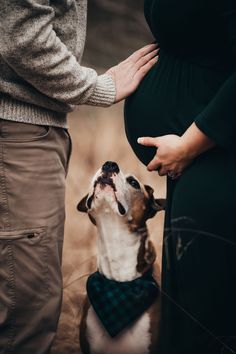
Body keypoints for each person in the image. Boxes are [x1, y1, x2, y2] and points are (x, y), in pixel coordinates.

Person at [0, 1, 158, 353]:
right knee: (26, 313)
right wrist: (97, 87)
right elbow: (22, 36)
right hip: (20, 130)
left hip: (31, 127)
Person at [124, 0, 236, 353]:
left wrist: (191, 142)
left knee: (209, 315)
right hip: (194, 164)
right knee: (188, 305)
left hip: (219, 156)